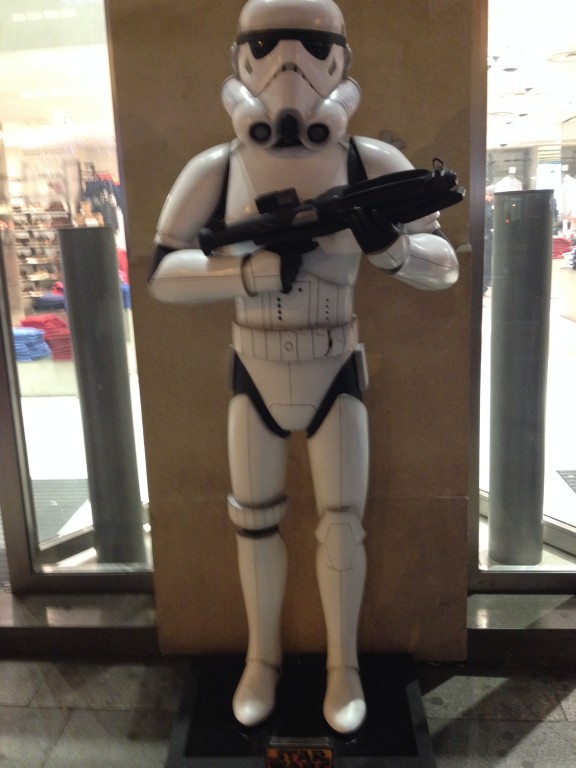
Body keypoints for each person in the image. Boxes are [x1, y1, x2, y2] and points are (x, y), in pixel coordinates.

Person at [148, 0, 459, 734]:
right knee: (252, 522)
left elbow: (443, 263)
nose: (290, 65)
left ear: (341, 59)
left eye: (312, 47)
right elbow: (163, 272)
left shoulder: (369, 163)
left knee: (343, 526)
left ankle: (343, 666)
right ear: (241, 58)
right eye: (267, 46)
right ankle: (261, 658)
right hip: (253, 366)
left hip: (334, 362)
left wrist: (391, 250)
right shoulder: (218, 167)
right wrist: (247, 273)